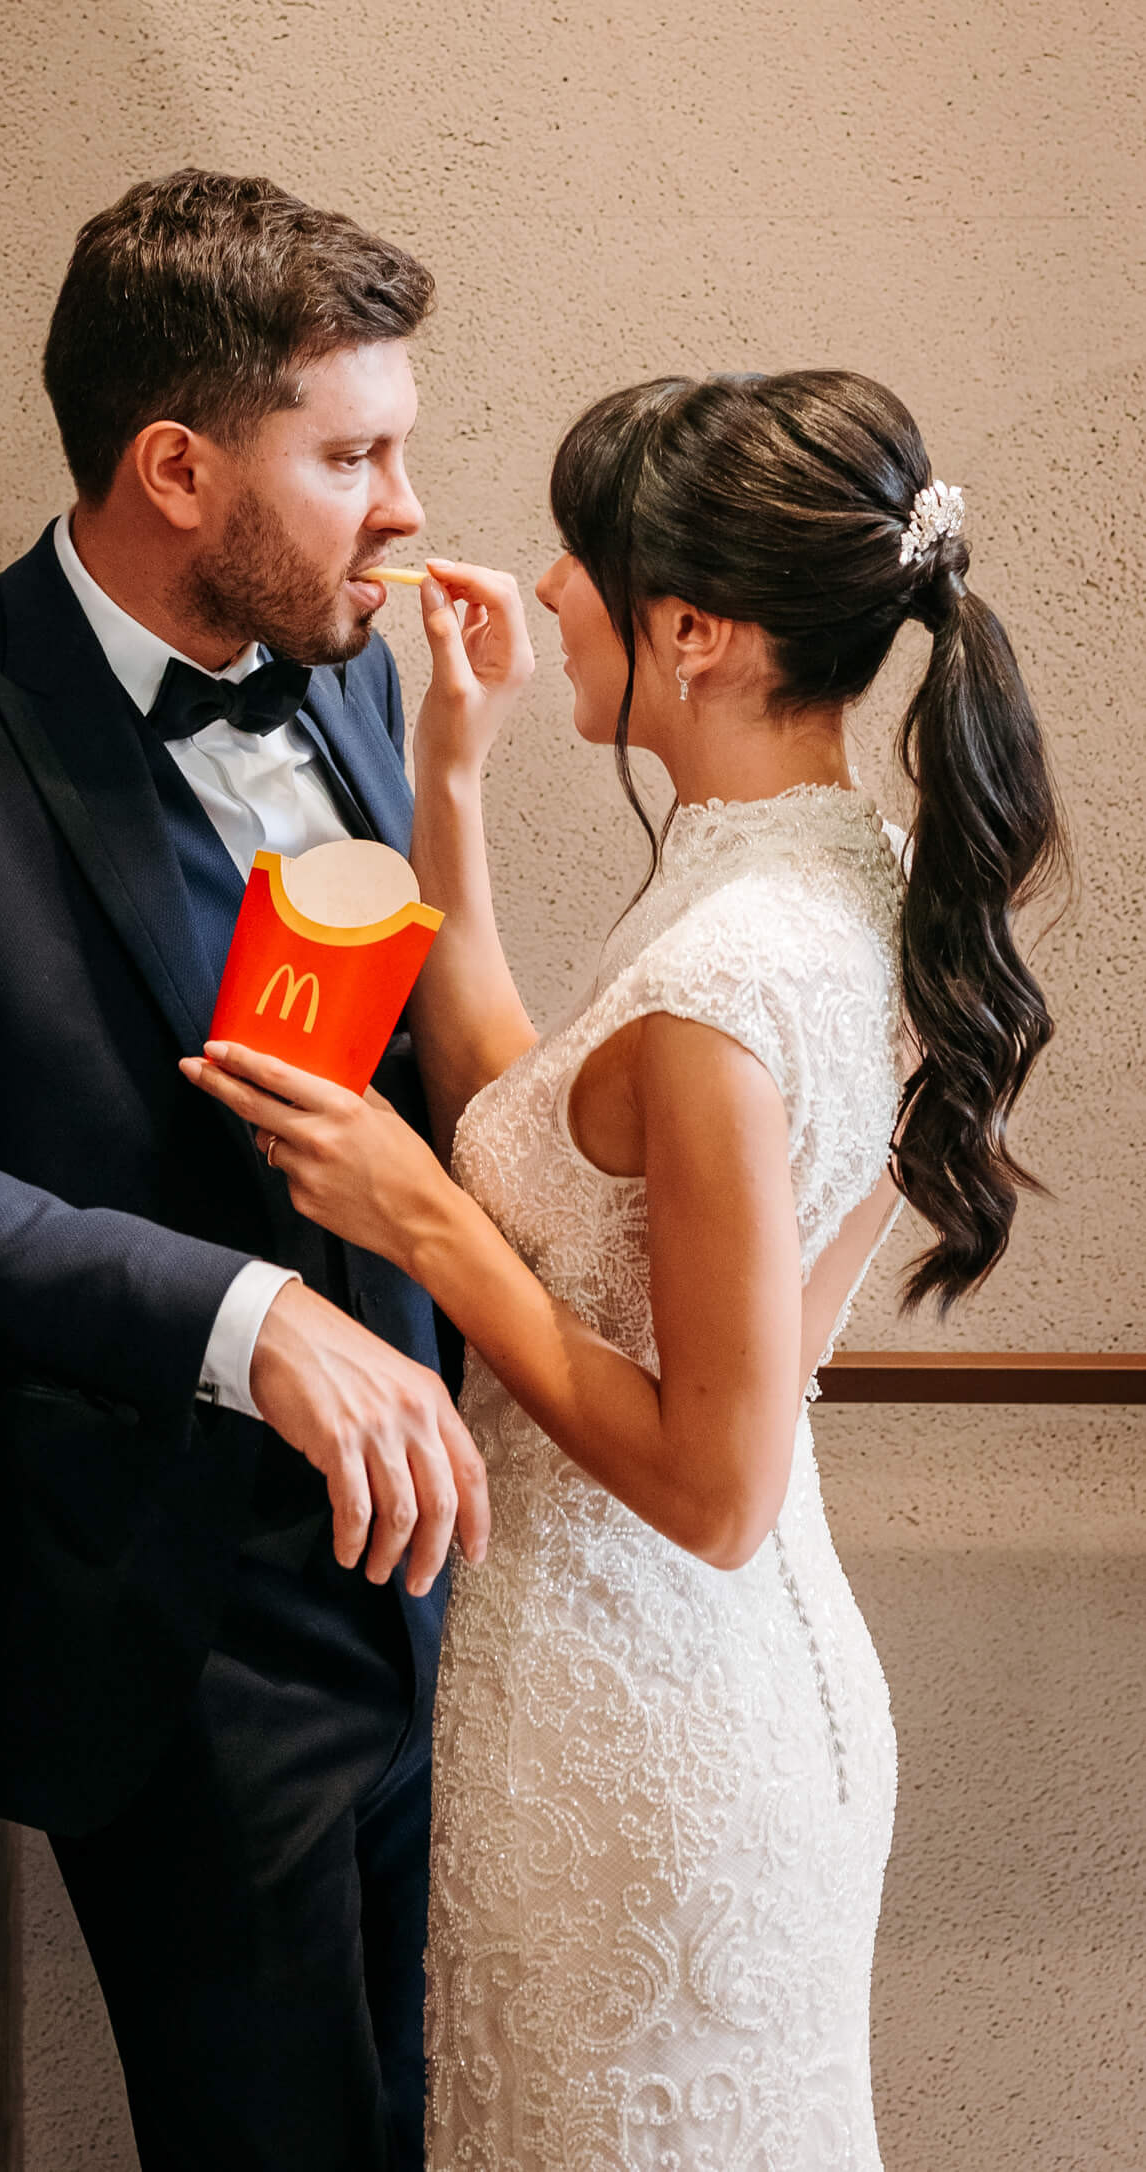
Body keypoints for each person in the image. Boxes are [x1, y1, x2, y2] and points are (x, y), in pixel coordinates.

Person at [186, 369, 1067, 2171]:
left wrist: (422, 1222)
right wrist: (452, 773)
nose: (543, 588)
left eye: (580, 558)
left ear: (691, 634)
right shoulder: (842, 869)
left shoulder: (734, 981)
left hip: (648, 1743)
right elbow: (547, 1126)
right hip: (681, 1692)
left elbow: (716, 1487)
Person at [0, 169, 490, 2172]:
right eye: (352, 457)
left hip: (426, 1562)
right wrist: (247, 1320)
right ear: (176, 467)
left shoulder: (351, 669)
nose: (407, 508)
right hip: (182, 1616)